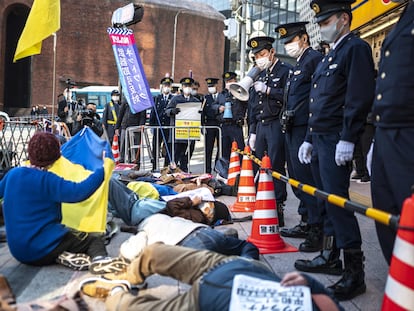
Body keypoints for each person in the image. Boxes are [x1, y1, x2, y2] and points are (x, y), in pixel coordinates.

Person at [295, 0, 375, 301]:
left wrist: (348, 137)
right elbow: (318, 103)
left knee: (339, 204)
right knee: (325, 199)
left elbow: (358, 95)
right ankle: (330, 255)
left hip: (335, 140)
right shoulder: (331, 55)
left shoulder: (355, 49)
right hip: (319, 138)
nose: (322, 27)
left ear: (344, 18)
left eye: (326, 20)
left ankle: (355, 272)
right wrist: (308, 137)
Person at [0, 132, 126, 274]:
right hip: (41, 248)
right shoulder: (48, 180)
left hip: (18, 251)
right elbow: (79, 191)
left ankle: (60, 255)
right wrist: (103, 169)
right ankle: (100, 260)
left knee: (60, 238)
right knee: (93, 240)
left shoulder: (13, 174)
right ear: (56, 156)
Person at [80, 243, 344, 311]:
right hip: (235, 267)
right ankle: (130, 275)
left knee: (126, 306)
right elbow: (332, 304)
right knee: (154, 253)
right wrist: (311, 283)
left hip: (204, 301)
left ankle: (116, 291)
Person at [274, 22, 324, 252]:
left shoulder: (313, 59)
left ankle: (316, 229)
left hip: (305, 127)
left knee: (307, 180)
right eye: (285, 42)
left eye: (291, 40)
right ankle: (305, 221)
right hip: (292, 127)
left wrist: (310, 135)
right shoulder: (299, 63)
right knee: (296, 177)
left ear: (304, 38)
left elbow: (316, 96)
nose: (288, 45)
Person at [370, 0, 414, 265]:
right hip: (386, 131)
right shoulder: (407, 12)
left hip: (408, 132)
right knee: (386, 213)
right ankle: (401, 282)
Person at [247, 35, 291, 226]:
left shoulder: (285, 71)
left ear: (272, 52)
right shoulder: (261, 74)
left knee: (275, 166)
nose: (260, 59)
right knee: (259, 165)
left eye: (262, 54)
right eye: (256, 56)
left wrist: (269, 91)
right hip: (262, 125)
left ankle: (278, 207)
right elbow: (255, 106)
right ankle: (263, 205)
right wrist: (253, 130)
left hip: (276, 124)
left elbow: (290, 97)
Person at [119, 212, 259, 260]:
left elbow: (131, 251)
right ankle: (248, 262)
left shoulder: (145, 227)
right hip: (205, 232)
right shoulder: (165, 218)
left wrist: (125, 245)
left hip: (188, 244)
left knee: (211, 271)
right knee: (246, 246)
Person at [165, 77, 201, 172]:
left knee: (187, 154)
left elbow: (200, 116)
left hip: (190, 133)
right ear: (182, 87)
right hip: (178, 133)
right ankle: (174, 172)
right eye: (185, 86)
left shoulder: (196, 101)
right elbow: (167, 111)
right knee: (176, 155)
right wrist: (173, 111)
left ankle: (184, 171)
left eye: (189, 86)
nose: (187, 88)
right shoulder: (175, 99)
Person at [218, 71, 247, 161]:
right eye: (227, 82)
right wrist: (218, 108)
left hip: (236, 125)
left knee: (239, 150)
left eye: (231, 81)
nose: (229, 83)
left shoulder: (240, 93)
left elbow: (245, 104)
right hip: (224, 126)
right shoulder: (222, 94)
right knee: (224, 150)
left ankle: (240, 171)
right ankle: (224, 171)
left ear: (235, 80)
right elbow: (214, 105)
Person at [150, 77, 174, 171]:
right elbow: (153, 112)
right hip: (158, 126)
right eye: (165, 86)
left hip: (168, 127)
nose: (166, 87)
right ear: (162, 86)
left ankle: (166, 167)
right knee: (156, 147)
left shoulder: (173, 99)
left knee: (168, 147)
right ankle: (154, 166)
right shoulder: (157, 98)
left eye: (168, 86)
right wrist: (151, 125)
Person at [201, 78, 223, 173]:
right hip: (209, 124)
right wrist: (202, 125)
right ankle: (207, 170)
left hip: (220, 124)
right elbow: (202, 112)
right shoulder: (206, 98)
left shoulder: (222, 96)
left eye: (212, 86)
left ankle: (217, 167)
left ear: (216, 86)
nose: (211, 88)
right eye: (209, 86)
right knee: (208, 148)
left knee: (221, 147)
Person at [115, 100, 147, 164]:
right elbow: (120, 114)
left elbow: (143, 115)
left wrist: (141, 125)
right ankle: (122, 162)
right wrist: (117, 127)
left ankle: (136, 163)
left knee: (135, 147)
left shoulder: (140, 101)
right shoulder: (126, 101)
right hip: (125, 127)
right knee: (123, 146)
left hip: (135, 128)